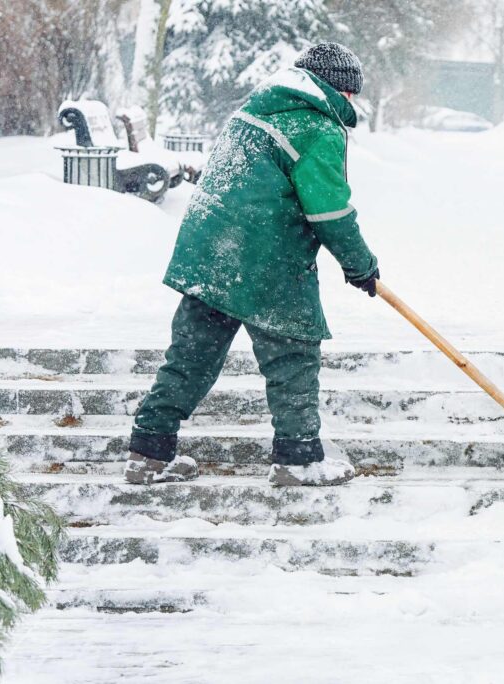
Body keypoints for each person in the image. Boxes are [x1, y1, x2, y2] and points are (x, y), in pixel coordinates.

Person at [124, 43, 379, 487]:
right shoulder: (317, 127)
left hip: (210, 252)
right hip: (267, 258)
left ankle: (148, 452)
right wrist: (360, 266)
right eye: (352, 93)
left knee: (192, 357)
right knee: (293, 356)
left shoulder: (253, 112)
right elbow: (330, 212)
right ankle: (298, 460)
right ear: (341, 89)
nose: (353, 103)